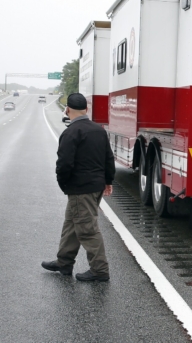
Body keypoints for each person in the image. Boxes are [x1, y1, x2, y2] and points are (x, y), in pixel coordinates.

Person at [42, 93, 115, 282]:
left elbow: (64, 164)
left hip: (80, 188)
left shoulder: (71, 132)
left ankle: (100, 270)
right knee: (72, 225)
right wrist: (108, 181)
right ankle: (64, 263)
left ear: (67, 109)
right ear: (86, 110)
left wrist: (64, 184)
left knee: (86, 228)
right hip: (95, 186)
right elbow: (108, 158)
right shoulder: (98, 130)